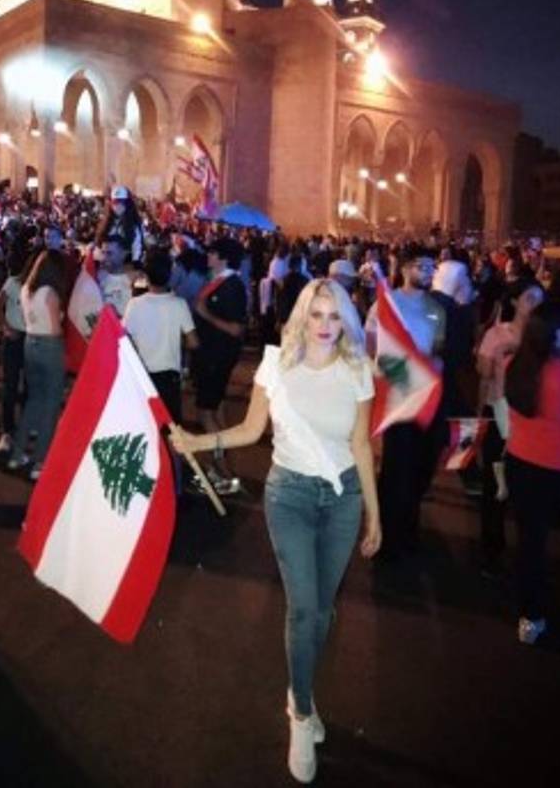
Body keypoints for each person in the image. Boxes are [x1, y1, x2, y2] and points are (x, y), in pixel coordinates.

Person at [171, 279, 380, 784]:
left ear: (345, 321)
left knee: (324, 612)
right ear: (302, 318)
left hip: (344, 498)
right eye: (317, 315)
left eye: (334, 317)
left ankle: (299, 687)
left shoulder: (357, 370)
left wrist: (376, 514)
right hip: (289, 497)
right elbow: (248, 431)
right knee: (303, 608)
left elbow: (360, 445)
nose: (326, 326)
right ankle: (302, 714)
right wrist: (197, 442)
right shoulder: (276, 366)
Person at [365, 247, 446, 559]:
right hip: (396, 396)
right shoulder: (387, 304)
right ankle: (384, 532)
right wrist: (402, 373)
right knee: (395, 468)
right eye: (421, 267)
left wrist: (432, 367)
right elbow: (373, 346)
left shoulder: (437, 310)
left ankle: (409, 530)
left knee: (419, 466)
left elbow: (436, 350)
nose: (427, 273)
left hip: (424, 397)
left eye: (431, 267)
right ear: (406, 269)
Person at [504, 301, 560, 645]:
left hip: (523, 464)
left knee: (532, 543)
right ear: (559, 332)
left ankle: (531, 617)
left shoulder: (519, 365)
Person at [475, 280, 544, 576]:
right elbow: (483, 373)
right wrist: (501, 353)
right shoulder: (497, 334)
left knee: (527, 490)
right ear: (515, 302)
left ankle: (529, 555)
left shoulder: (547, 338)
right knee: (493, 486)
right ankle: (491, 549)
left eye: (540, 299)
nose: (536, 305)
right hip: (499, 412)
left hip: (531, 419)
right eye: (530, 298)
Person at [191, 237, 248, 494]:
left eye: (212, 252)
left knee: (206, 412)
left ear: (223, 257)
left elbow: (236, 329)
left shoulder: (231, 285)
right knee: (217, 411)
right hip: (209, 355)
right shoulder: (218, 282)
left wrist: (206, 315)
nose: (208, 256)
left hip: (216, 357)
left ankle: (222, 472)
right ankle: (222, 467)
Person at [8, 250, 67, 480]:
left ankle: (18, 453)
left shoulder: (26, 290)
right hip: (49, 346)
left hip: (30, 343)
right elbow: (54, 328)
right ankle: (40, 460)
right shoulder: (49, 293)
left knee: (34, 400)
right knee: (51, 405)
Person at [123, 249, 198, 424]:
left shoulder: (134, 305)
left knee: (145, 426)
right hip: (169, 378)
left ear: (146, 277)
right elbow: (193, 342)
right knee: (170, 430)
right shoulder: (179, 305)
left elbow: (125, 339)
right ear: (169, 275)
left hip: (141, 375)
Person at [0, 245, 29, 453]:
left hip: (31, 338)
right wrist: (6, 327)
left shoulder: (37, 287)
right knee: (10, 385)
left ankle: (25, 424)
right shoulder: (12, 283)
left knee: (29, 385)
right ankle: (7, 431)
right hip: (14, 338)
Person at [95, 185, 144, 265]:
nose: (117, 206)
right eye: (114, 203)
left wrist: (136, 260)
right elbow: (98, 240)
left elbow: (137, 244)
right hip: (105, 263)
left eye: (121, 202)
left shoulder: (133, 223)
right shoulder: (105, 222)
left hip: (124, 264)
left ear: (127, 204)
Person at [98, 236, 133, 318]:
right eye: (103, 253)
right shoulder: (96, 278)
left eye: (109, 253)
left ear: (123, 254)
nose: (105, 257)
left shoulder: (134, 281)